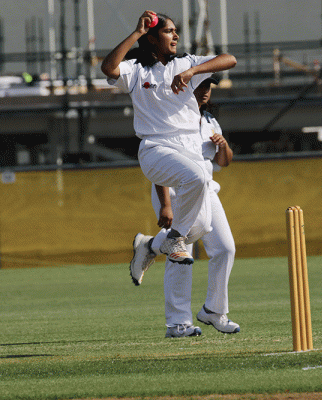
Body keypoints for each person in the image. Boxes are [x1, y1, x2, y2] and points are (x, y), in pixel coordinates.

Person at [100, 12, 237, 292]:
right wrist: (137, 32)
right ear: (151, 38)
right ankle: (171, 245)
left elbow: (229, 59)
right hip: (155, 147)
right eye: (169, 32)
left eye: (176, 31)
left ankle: (151, 245)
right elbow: (108, 68)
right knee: (199, 178)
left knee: (199, 229)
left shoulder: (187, 62)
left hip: (189, 148)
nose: (176, 36)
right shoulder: (137, 69)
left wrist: (192, 72)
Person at [149, 77, 240, 338]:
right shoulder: (171, 117)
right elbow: (158, 164)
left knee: (225, 248)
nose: (204, 92)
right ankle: (178, 323)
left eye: (208, 87)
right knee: (181, 256)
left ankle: (214, 310)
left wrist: (223, 146)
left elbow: (224, 162)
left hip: (207, 189)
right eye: (199, 86)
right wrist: (165, 204)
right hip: (177, 191)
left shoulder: (209, 120)